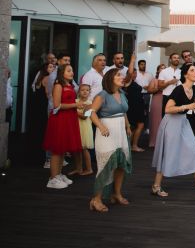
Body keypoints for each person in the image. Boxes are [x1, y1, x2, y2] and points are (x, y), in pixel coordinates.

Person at [151, 63, 195, 197]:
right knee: (167, 153)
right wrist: (187, 106)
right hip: (171, 123)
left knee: (194, 149)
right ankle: (156, 186)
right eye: (192, 70)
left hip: (183, 122)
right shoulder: (179, 90)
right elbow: (167, 109)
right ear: (186, 74)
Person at [88, 68, 132, 212]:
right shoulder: (103, 95)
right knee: (105, 166)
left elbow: (123, 112)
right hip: (106, 132)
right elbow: (91, 112)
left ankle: (116, 194)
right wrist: (100, 126)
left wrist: (128, 126)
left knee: (120, 165)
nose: (122, 77)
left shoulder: (122, 93)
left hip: (121, 133)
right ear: (110, 78)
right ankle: (96, 199)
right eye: (118, 75)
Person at [42, 64, 83, 189]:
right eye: (69, 71)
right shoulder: (58, 85)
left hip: (69, 118)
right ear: (61, 72)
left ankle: (59, 174)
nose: (72, 73)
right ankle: (53, 178)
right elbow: (56, 105)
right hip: (60, 119)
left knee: (63, 149)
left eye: (72, 70)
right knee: (57, 149)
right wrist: (75, 105)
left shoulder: (69, 85)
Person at [73, 84, 94, 176]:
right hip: (76, 126)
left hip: (85, 127)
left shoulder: (90, 104)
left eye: (87, 90)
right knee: (77, 149)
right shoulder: (75, 102)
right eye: (82, 90)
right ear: (78, 92)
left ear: (89, 92)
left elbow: (85, 117)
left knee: (84, 149)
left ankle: (89, 169)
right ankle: (79, 169)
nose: (85, 92)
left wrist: (74, 110)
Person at [147, 64, 165, 148]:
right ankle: (154, 141)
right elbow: (149, 90)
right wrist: (159, 88)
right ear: (158, 71)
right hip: (157, 100)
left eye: (165, 68)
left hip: (167, 100)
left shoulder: (168, 80)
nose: (163, 70)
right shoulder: (154, 80)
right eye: (161, 68)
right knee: (156, 120)